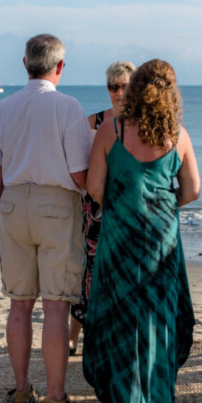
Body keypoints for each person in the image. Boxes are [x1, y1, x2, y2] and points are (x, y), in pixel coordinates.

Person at [0, 34, 93, 403]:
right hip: (55, 205)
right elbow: (78, 172)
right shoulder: (67, 106)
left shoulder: (2, 107)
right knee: (56, 307)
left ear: (24, 64)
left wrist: (1, 209)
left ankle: (23, 388)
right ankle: (56, 398)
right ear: (60, 67)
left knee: (19, 305)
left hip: (13, 202)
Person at [83, 59, 201, 403]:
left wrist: (123, 208)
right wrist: (162, 207)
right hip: (161, 237)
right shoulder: (179, 135)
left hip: (119, 232)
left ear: (134, 88)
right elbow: (193, 190)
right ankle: (153, 402)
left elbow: (94, 187)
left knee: (121, 314)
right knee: (157, 314)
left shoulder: (111, 130)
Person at [69, 60, 136, 355]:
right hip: (94, 206)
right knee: (89, 270)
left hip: (127, 207)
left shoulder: (142, 123)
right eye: (113, 87)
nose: (119, 92)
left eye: (124, 86)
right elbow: (76, 164)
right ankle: (74, 337)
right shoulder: (93, 122)